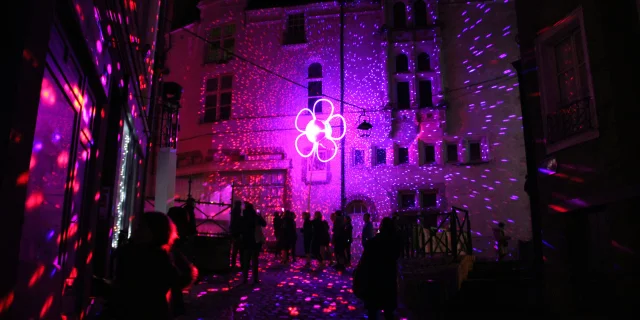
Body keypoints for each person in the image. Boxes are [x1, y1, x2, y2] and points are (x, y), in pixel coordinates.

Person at [109, 212, 198, 319]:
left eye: (141, 227)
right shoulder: (162, 255)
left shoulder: (150, 257)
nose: (137, 230)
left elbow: (130, 288)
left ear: (154, 231)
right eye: (138, 226)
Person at [355, 217, 401, 320]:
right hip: (388, 277)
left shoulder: (373, 242)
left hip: (374, 278)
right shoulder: (394, 243)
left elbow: (366, 260)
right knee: (388, 310)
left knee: (373, 308)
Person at [240, 202, 267, 284]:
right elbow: (264, 224)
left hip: (246, 241)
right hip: (255, 241)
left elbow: (240, 228)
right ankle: (255, 279)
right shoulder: (256, 217)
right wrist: (259, 215)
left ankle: (245, 279)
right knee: (255, 260)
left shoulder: (243, 217)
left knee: (246, 261)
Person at [229, 201, 243, 269]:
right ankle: (240, 264)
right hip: (237, 234)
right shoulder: (237, 214)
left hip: (235, 233)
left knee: (235, 250)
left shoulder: (234, 213)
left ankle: (233, 264)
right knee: (239, 250)